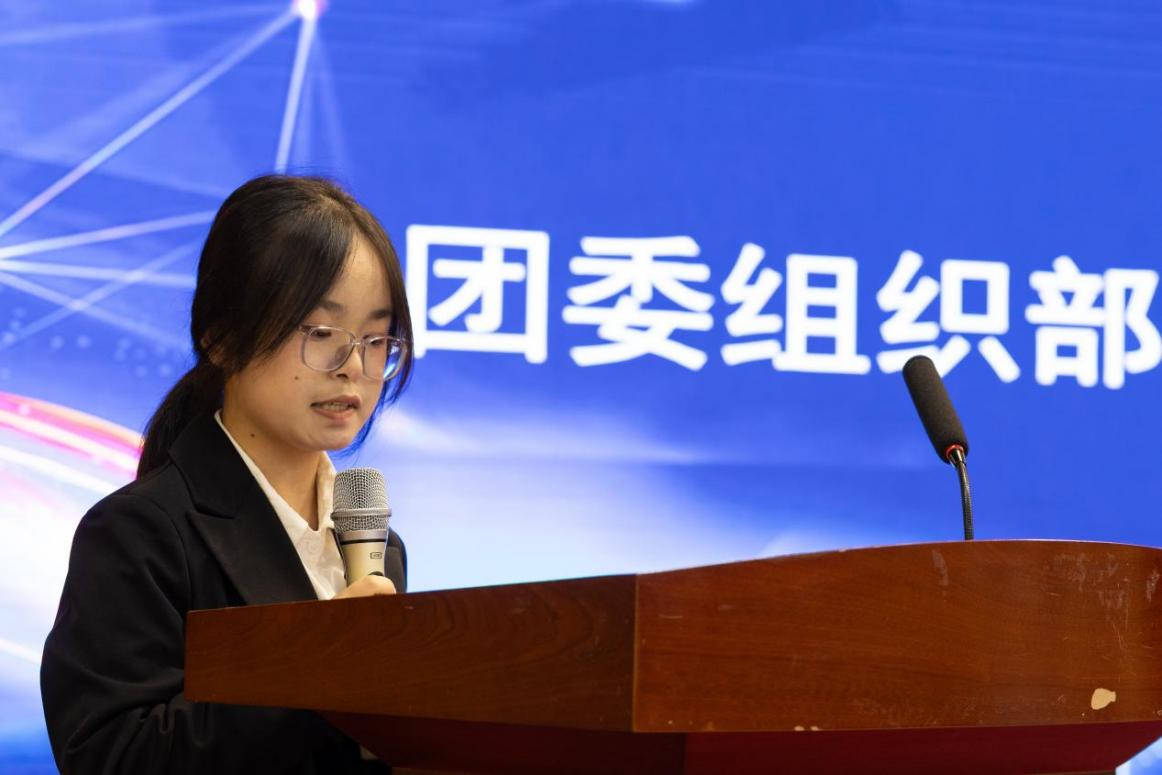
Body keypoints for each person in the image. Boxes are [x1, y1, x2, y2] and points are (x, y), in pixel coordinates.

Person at [40, 175, 414, 774]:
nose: (354, 367)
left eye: (376, 338)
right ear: (222, 338)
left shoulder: (376, 547)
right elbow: (111, 754)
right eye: (322, 333)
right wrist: (322, 667)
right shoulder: (140, 532)